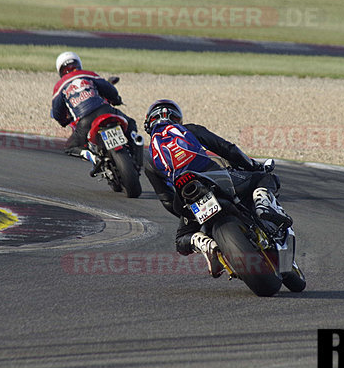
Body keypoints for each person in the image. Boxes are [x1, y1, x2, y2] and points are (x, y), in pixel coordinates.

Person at [143, 99, 291, 277]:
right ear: (177, 119)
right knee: (266, 178)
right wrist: (254, 166)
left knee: (180, 241)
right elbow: (226, 148)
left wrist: (188, 216)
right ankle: (262, 203)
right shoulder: (189, 130)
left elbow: (166, 199)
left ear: (148, 123)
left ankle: (204, 243)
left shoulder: (150, 159)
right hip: (214, 177)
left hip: (186, 195)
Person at [51, 51, 142, 170]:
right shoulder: (88, 74)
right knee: (130, 123)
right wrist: (116, 99)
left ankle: (93, 157)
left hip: (84, 121)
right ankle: (136, 150)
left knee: (70, 147)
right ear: (78, 64)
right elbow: (109, 89)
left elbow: (57, 111)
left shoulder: (60, 85)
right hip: (105, 110)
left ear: (60, 70)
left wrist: (64, 121)